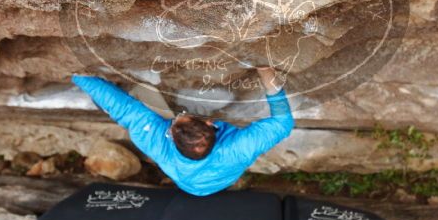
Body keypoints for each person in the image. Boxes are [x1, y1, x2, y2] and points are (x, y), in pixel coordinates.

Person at [72, 67, 294, 196]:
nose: (179, 116)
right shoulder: (239, 149)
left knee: (139, 101)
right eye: (180, 118)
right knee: (143, 98)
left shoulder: (157, 144)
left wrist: (79, 76)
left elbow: (124, 109)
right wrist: (266, 73)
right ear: (211, 123)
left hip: (189, 182)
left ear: (170, 135)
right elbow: (283, 122)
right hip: (219, 178)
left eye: (178, 120)